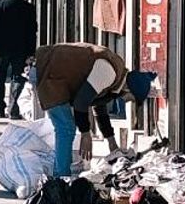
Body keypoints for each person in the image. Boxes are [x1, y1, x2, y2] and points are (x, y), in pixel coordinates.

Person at [31, 43, 156, 177]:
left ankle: (61, 173)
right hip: (48, 72)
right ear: (129, 89)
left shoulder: (116, 77)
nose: (128, 102)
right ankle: (61, 178)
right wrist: (86, 135)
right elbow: (81, 102)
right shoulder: (109, 73)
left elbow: (99, 106)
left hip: (51, 73)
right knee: (66, 128)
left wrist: (112, 143)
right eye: (132, 99)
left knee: (66, 128)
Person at [0, 0, 37, 119]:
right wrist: (31, 52)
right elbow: (32, 32)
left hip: (1, 49)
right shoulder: (29, 8)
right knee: (18, 77)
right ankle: (13, 108)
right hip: (21, 49)